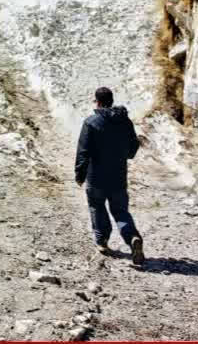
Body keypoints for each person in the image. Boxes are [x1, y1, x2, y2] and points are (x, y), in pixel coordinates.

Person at [74, 87, 145, 266]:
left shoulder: (91, 122)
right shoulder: (125, 122)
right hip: (119, 177)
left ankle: (102, 242)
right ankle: (132, 237)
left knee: (97, 206)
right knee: (120, 211)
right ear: (112, 100)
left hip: (96, 176)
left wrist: (79, 174)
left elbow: (83, 151)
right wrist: (123, 155)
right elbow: (133, 148)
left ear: (96, 101)